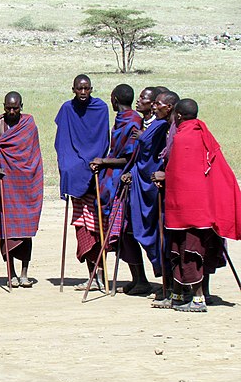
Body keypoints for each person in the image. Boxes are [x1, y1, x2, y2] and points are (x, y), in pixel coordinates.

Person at [152, 99, 241, 312]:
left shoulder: (183, 139)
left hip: (188, 210)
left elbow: (178, 174)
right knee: (184, 251)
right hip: (204, 208)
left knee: (188, 253)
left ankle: (198, 299)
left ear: (179, 116)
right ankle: (178, 295)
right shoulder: (204, 135)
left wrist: (163, 177)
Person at [54, 74, 109, 290]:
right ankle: (91, 275)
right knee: (83, 227)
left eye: (86, 88)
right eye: (79, 88)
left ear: (91, 89)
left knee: (97, 227)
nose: (83, 92)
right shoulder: (67, 109)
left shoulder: (101, 108)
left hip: (96, 175)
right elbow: (62, 144)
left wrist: (95, 163)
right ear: (73, 89)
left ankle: (101, 275)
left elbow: (103, 140)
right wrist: (69, 168)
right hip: (77, 176)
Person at [119, 89, 174, 297]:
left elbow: (156, 159)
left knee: (159, 235)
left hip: (153, 189)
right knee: (130, 230)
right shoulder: (144, 124)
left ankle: (169, 285)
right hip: (139, 185)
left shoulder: (161, 127)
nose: (139, 101)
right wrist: (131, 172)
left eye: (145, 99)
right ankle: (141, 280)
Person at [90, 84, 144, 293]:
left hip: (125, 182)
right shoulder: (122, 120)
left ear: (114, 99)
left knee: (125, 230)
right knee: (121, 232)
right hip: (113, 181)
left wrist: (104, 161)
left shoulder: (133, 122)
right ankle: (137, 278)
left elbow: (128, 157)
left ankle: (141, 279)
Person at [0, 91, 43, 288]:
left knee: (25, 229)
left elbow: (33, 153)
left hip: (24, 181)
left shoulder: (28, 124)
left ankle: (24, 272)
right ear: (3, 106)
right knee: (7, 229)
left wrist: (31, 175)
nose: (12, 111)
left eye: (15, 107)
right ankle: (10, 272)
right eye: (8, 108)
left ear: (21, 106)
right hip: (5, 180)